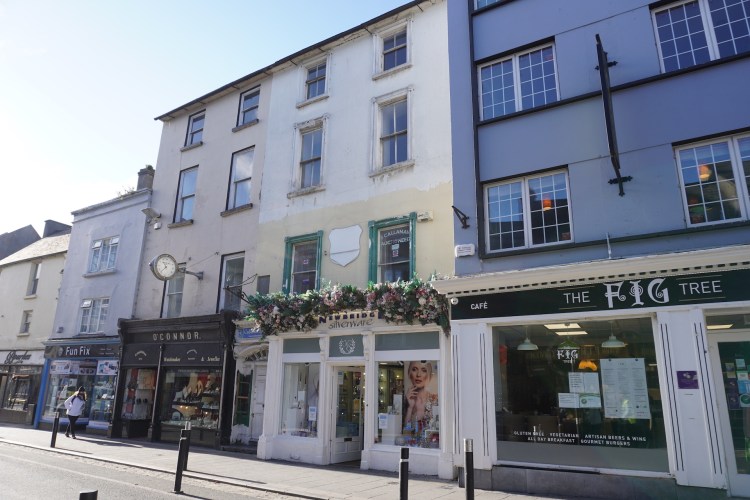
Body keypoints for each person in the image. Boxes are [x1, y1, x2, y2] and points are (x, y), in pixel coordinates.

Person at [403, 361, 438, 431]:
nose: (418, 374)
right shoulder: (406, 400)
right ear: (409, 374)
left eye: (424, 370)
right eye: (414, 369)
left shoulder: (435, 400)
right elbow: (406, 430)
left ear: (429, 375)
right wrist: (410, 407)